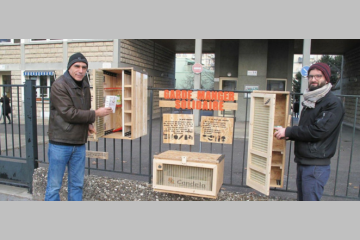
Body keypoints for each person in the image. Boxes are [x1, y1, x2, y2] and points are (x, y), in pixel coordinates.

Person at [45, 52, 112, 201]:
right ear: (69, 67)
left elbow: (83, 108)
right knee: (54, 186)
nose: (80, 70)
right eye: (77, 66)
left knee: (77, 185)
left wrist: (88, 123)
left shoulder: (85, 85)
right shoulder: (59, 85)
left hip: (79, 144)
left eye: (84, 67)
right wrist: (96, 114)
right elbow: (69, 113)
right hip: (60, 144)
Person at [274, 62, 344, 201]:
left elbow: (318, 131)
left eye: (318, 76)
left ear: (327, 79)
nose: (313, 79)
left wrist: (289, 131)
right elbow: (308, 128)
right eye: (311, 76)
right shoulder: (312, 100)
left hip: (315, 165)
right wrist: (290, 134)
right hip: (305, 161)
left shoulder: (332, 103)